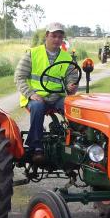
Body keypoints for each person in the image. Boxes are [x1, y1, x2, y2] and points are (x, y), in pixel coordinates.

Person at [14, 22, 79, 162]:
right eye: (53, 36)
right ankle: (36, 147)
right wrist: (31, 94)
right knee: (38, 106)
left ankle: (76, 143)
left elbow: (72, 78)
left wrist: (71, 86)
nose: (56, 39)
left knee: (75, 107)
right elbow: (19, 77)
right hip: (36, 97)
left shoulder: (67, 58)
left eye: (60, 36)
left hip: (57, 97)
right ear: (47, 36)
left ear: (63, 39)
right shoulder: (32, 54)